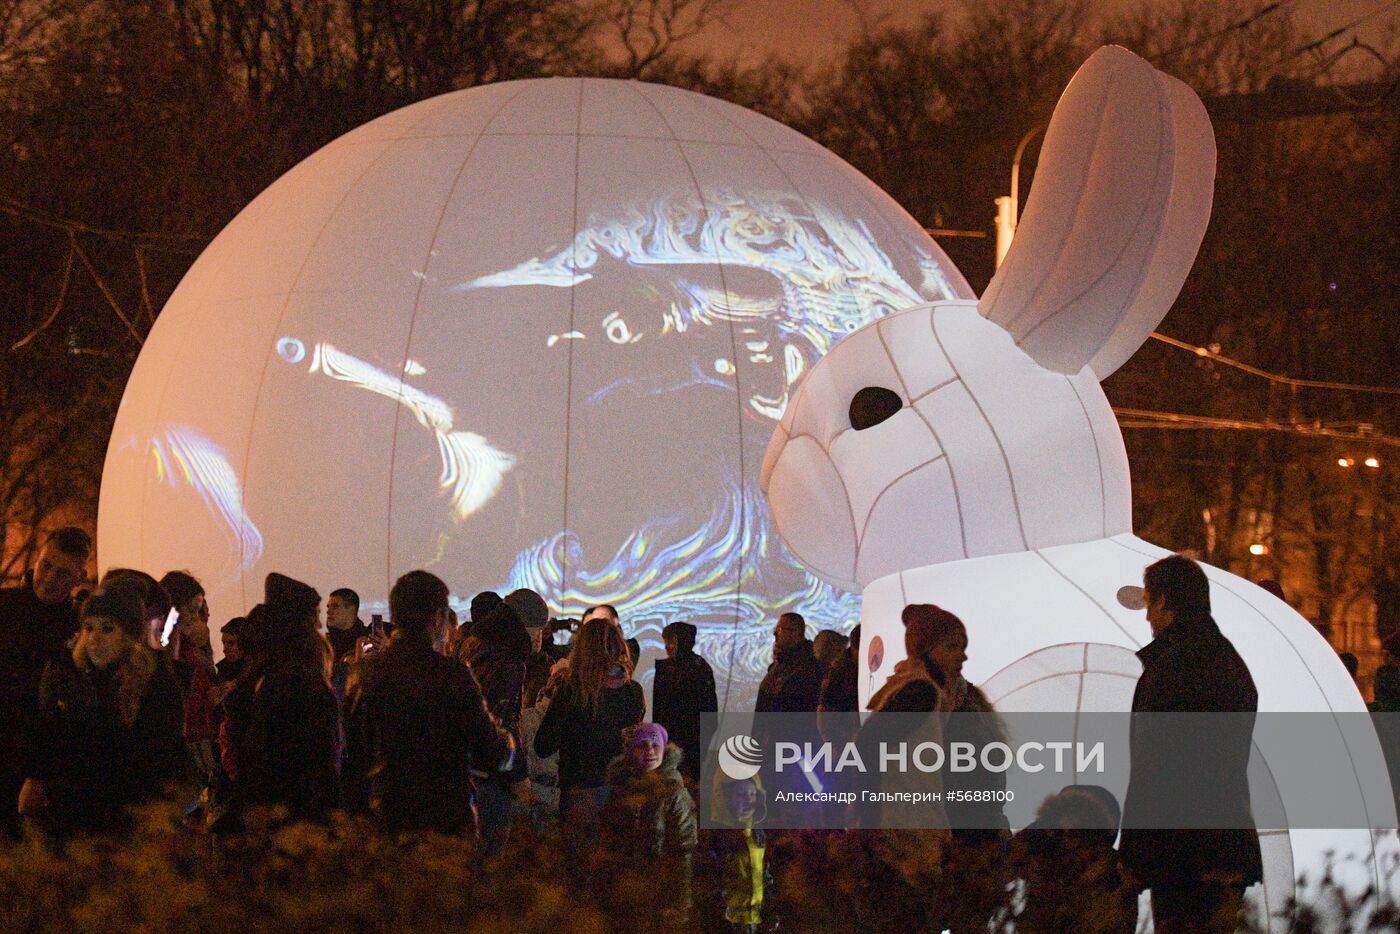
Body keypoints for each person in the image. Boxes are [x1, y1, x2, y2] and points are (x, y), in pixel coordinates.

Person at [1118, 554, 1262, 934]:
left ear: (1164, 601)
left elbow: (1155, 769)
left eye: (1150, 603)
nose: (1147, 616)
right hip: (1227, 845)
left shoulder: (1171, 667)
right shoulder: (1230, 661)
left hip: (1180, 855)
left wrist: (1134, 856)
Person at [344, 570, 514, 834]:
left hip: (384, 816)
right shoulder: (452, 674)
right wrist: (509, 743)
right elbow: (490, 751)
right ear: (436, 619)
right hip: (444, 820)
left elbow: (353, 746)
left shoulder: (364, 673)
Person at [19, 586, 185, 836]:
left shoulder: (154, 683)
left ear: (128, 635)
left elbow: (161, 758)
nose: (94, 638)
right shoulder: (68, 675)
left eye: (107, 628)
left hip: (130, 822)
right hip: (70, 820)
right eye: (89, 627)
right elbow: (48, 735)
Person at [226, 573, 340, 821]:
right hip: (297, 820)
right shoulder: (299, 681)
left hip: (265, 812)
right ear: (300, 626)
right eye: (315, 616)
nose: (320, 626)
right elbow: (320, 762)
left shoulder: (262, 671)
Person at [0, 526, 91, 836]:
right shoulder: (6, 608)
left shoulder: (79, 630)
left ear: (79, 576)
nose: (49, 577)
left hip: (37, 771)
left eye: (62, 573)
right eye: (46, 565)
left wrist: (39, 775)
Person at [534, 617, 645, 860]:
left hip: (578, 791)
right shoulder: (633, 692)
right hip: (620, 792)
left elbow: (543, 746)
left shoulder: (572, 690)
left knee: (578, 872)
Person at [600, 722, 698, 922]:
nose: (650, 751)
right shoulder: (622, 787)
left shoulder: (673, 792)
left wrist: (679, 901)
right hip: (626, 886)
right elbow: (609, 836)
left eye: (655, 746)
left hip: (659, 888)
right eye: (642, 745)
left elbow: (684, 847)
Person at [1009, 785, 1136, 933]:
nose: (1067, 842)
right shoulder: (1048, 868)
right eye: (1058, 834)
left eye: (1076, 834)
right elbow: (1011, 856)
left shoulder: (1111, 876)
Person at [457, 599, 531, 852]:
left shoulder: (470, 646)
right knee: (492, 852)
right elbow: (506, 719)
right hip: (494, 771)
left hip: (466, 765)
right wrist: (519, 773)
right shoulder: (511, 662)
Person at [652, 620, 718, 783]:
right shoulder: (667, 669)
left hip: (692, 741)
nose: (667, 647)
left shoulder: (698, 670)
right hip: (669, 738)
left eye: (671, 642)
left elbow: (709, 711)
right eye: (667, 642)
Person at [708, 771, 771, 932]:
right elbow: (711, 878)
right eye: (741, 794)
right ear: (726, 798)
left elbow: (764, 871)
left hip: (754, 919)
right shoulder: (719, 837)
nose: (749, 799)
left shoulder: (757, 833)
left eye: (752, 793)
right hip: (728, 922)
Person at [755, 612, 823, 713]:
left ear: (794, 632)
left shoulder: (806, 666)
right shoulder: (781, 663)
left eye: (780, 629)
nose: (775, 633)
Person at [325, 587, 369, 698]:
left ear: (351, 609)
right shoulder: (324, 645)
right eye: (328, 607)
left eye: (335, 606)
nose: (328, 611)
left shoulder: (367, 642)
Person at [217, 617, 248, 682]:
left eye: (231, 643)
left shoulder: (254, 671)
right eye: (224, 643)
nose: (224, 650)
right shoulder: (223, 669)